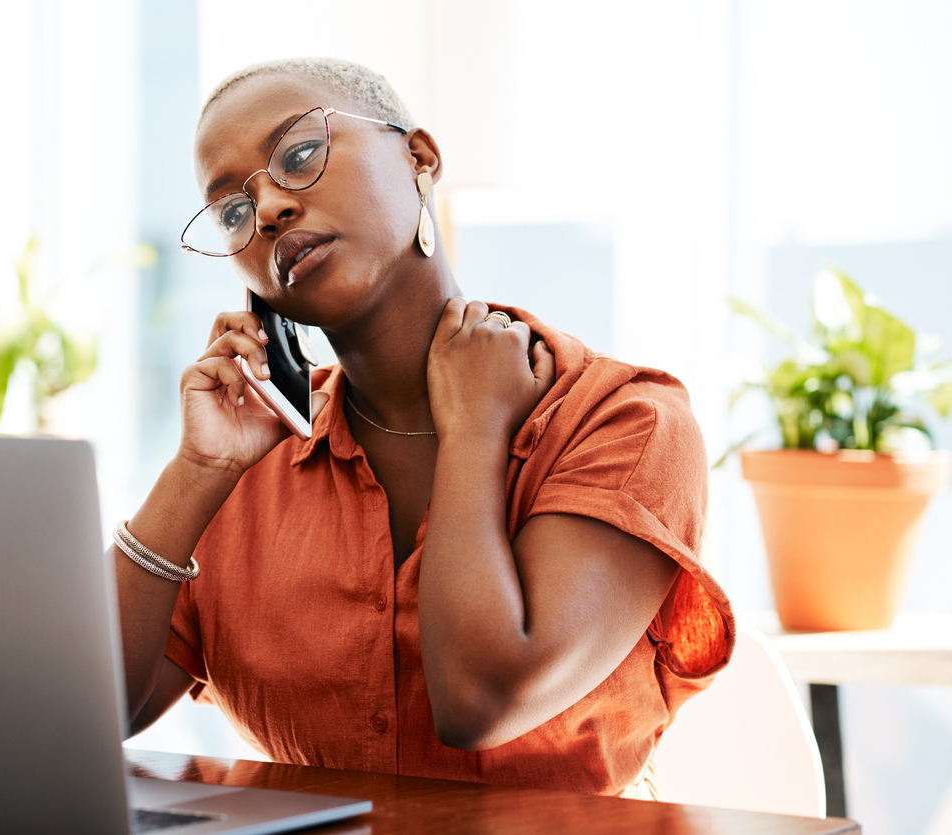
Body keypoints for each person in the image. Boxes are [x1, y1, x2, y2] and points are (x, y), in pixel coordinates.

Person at [113, 57, 734, 799]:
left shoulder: (624, 420)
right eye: (233, 212)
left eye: (300, 156)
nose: (270, 207)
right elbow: (86, 714)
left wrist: (474, 427)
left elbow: (480, 698)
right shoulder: (253, 452)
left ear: (419, 158)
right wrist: (197, 472)